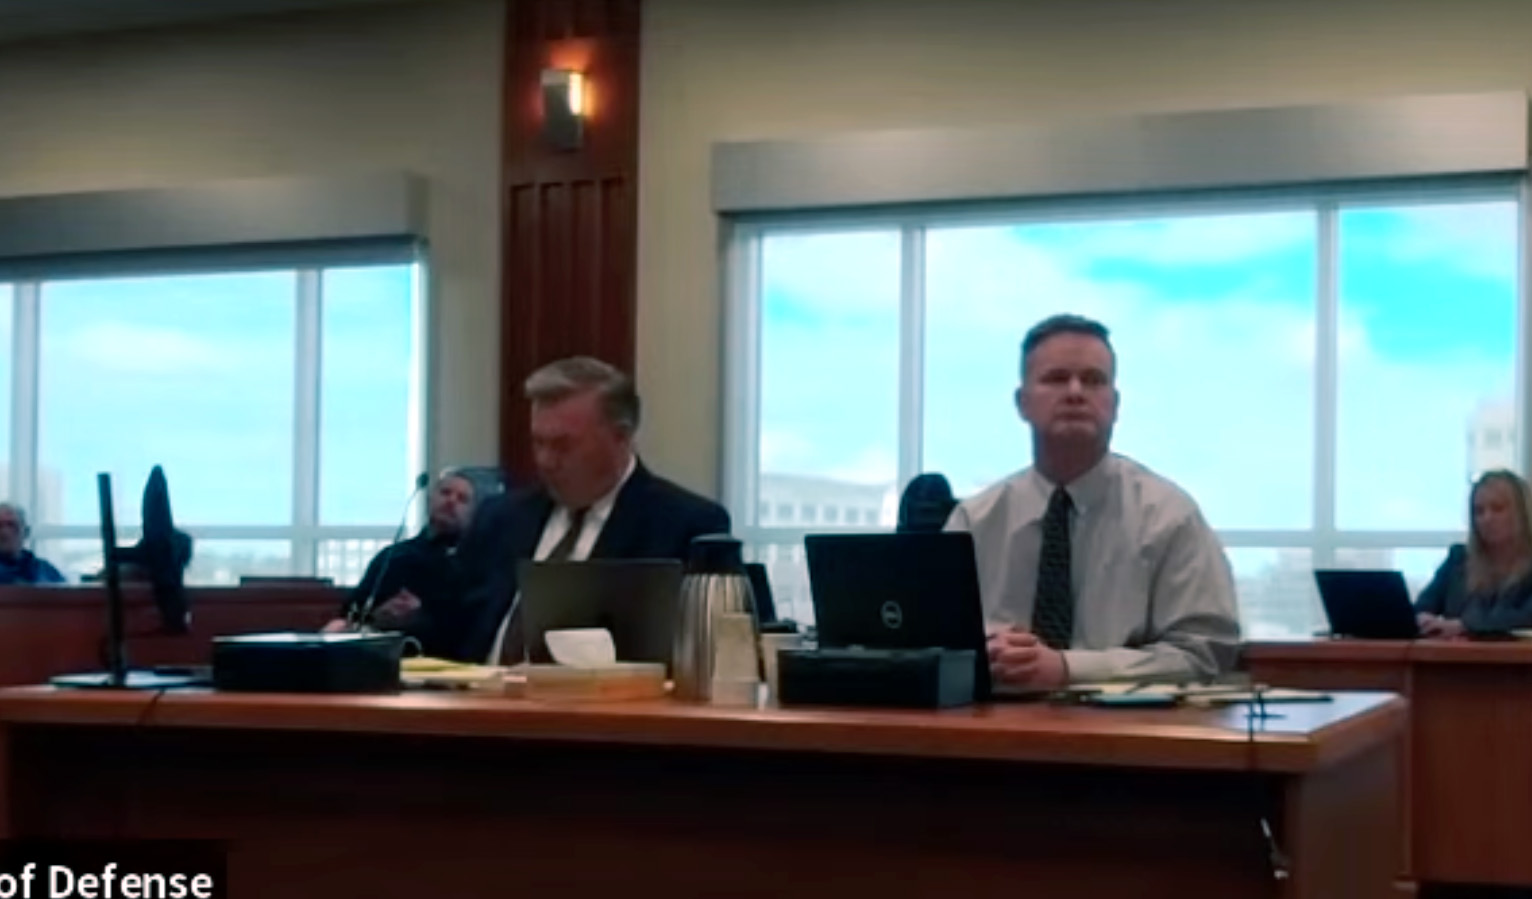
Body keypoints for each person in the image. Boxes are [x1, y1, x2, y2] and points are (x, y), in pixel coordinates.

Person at [945, 314, 1240, 688]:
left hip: (1127, 723)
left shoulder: (1170, 517)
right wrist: (985, 654)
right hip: (988, 719)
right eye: (1056, 378)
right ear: (1022, 403)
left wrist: (1067, 669)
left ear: (1115, 404)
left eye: (1093, 380)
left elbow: (1204, 653)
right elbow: (931, 643)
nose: (1075, 392)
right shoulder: (973, 522)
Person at [450, 356, 731, 663]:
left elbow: (711, 652)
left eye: (563, 446)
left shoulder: (685, 526)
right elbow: (446, 625)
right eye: (538, 443)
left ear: (621, 437)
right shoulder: (500, 518)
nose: (545, 461)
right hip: (476, 691)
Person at [321, 470, 478, 655]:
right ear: (429, 500)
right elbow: (352, 612)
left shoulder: (476, 566)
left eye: (462, 499)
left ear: (473, 514)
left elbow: (472, 627)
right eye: (445, 493)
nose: (451, 501)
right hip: (381, 657)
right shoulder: (393, 556)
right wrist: (378, 616)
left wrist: (421, 616)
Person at [1415, 469, 1532, 638]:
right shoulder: (1459, 559)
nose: (1487, 518)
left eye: (1498, 509)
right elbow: (1423, 605)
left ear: (1522, 513)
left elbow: (1524, 617)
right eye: (1479, 511)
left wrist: (1465, 626)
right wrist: (1423, 618)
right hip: (1455, 654)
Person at [0, 503, 65, 585]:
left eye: (12, 525)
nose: (5, 532)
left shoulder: (44, 571)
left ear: (26, 532)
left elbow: (65, 591)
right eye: (0, 526)